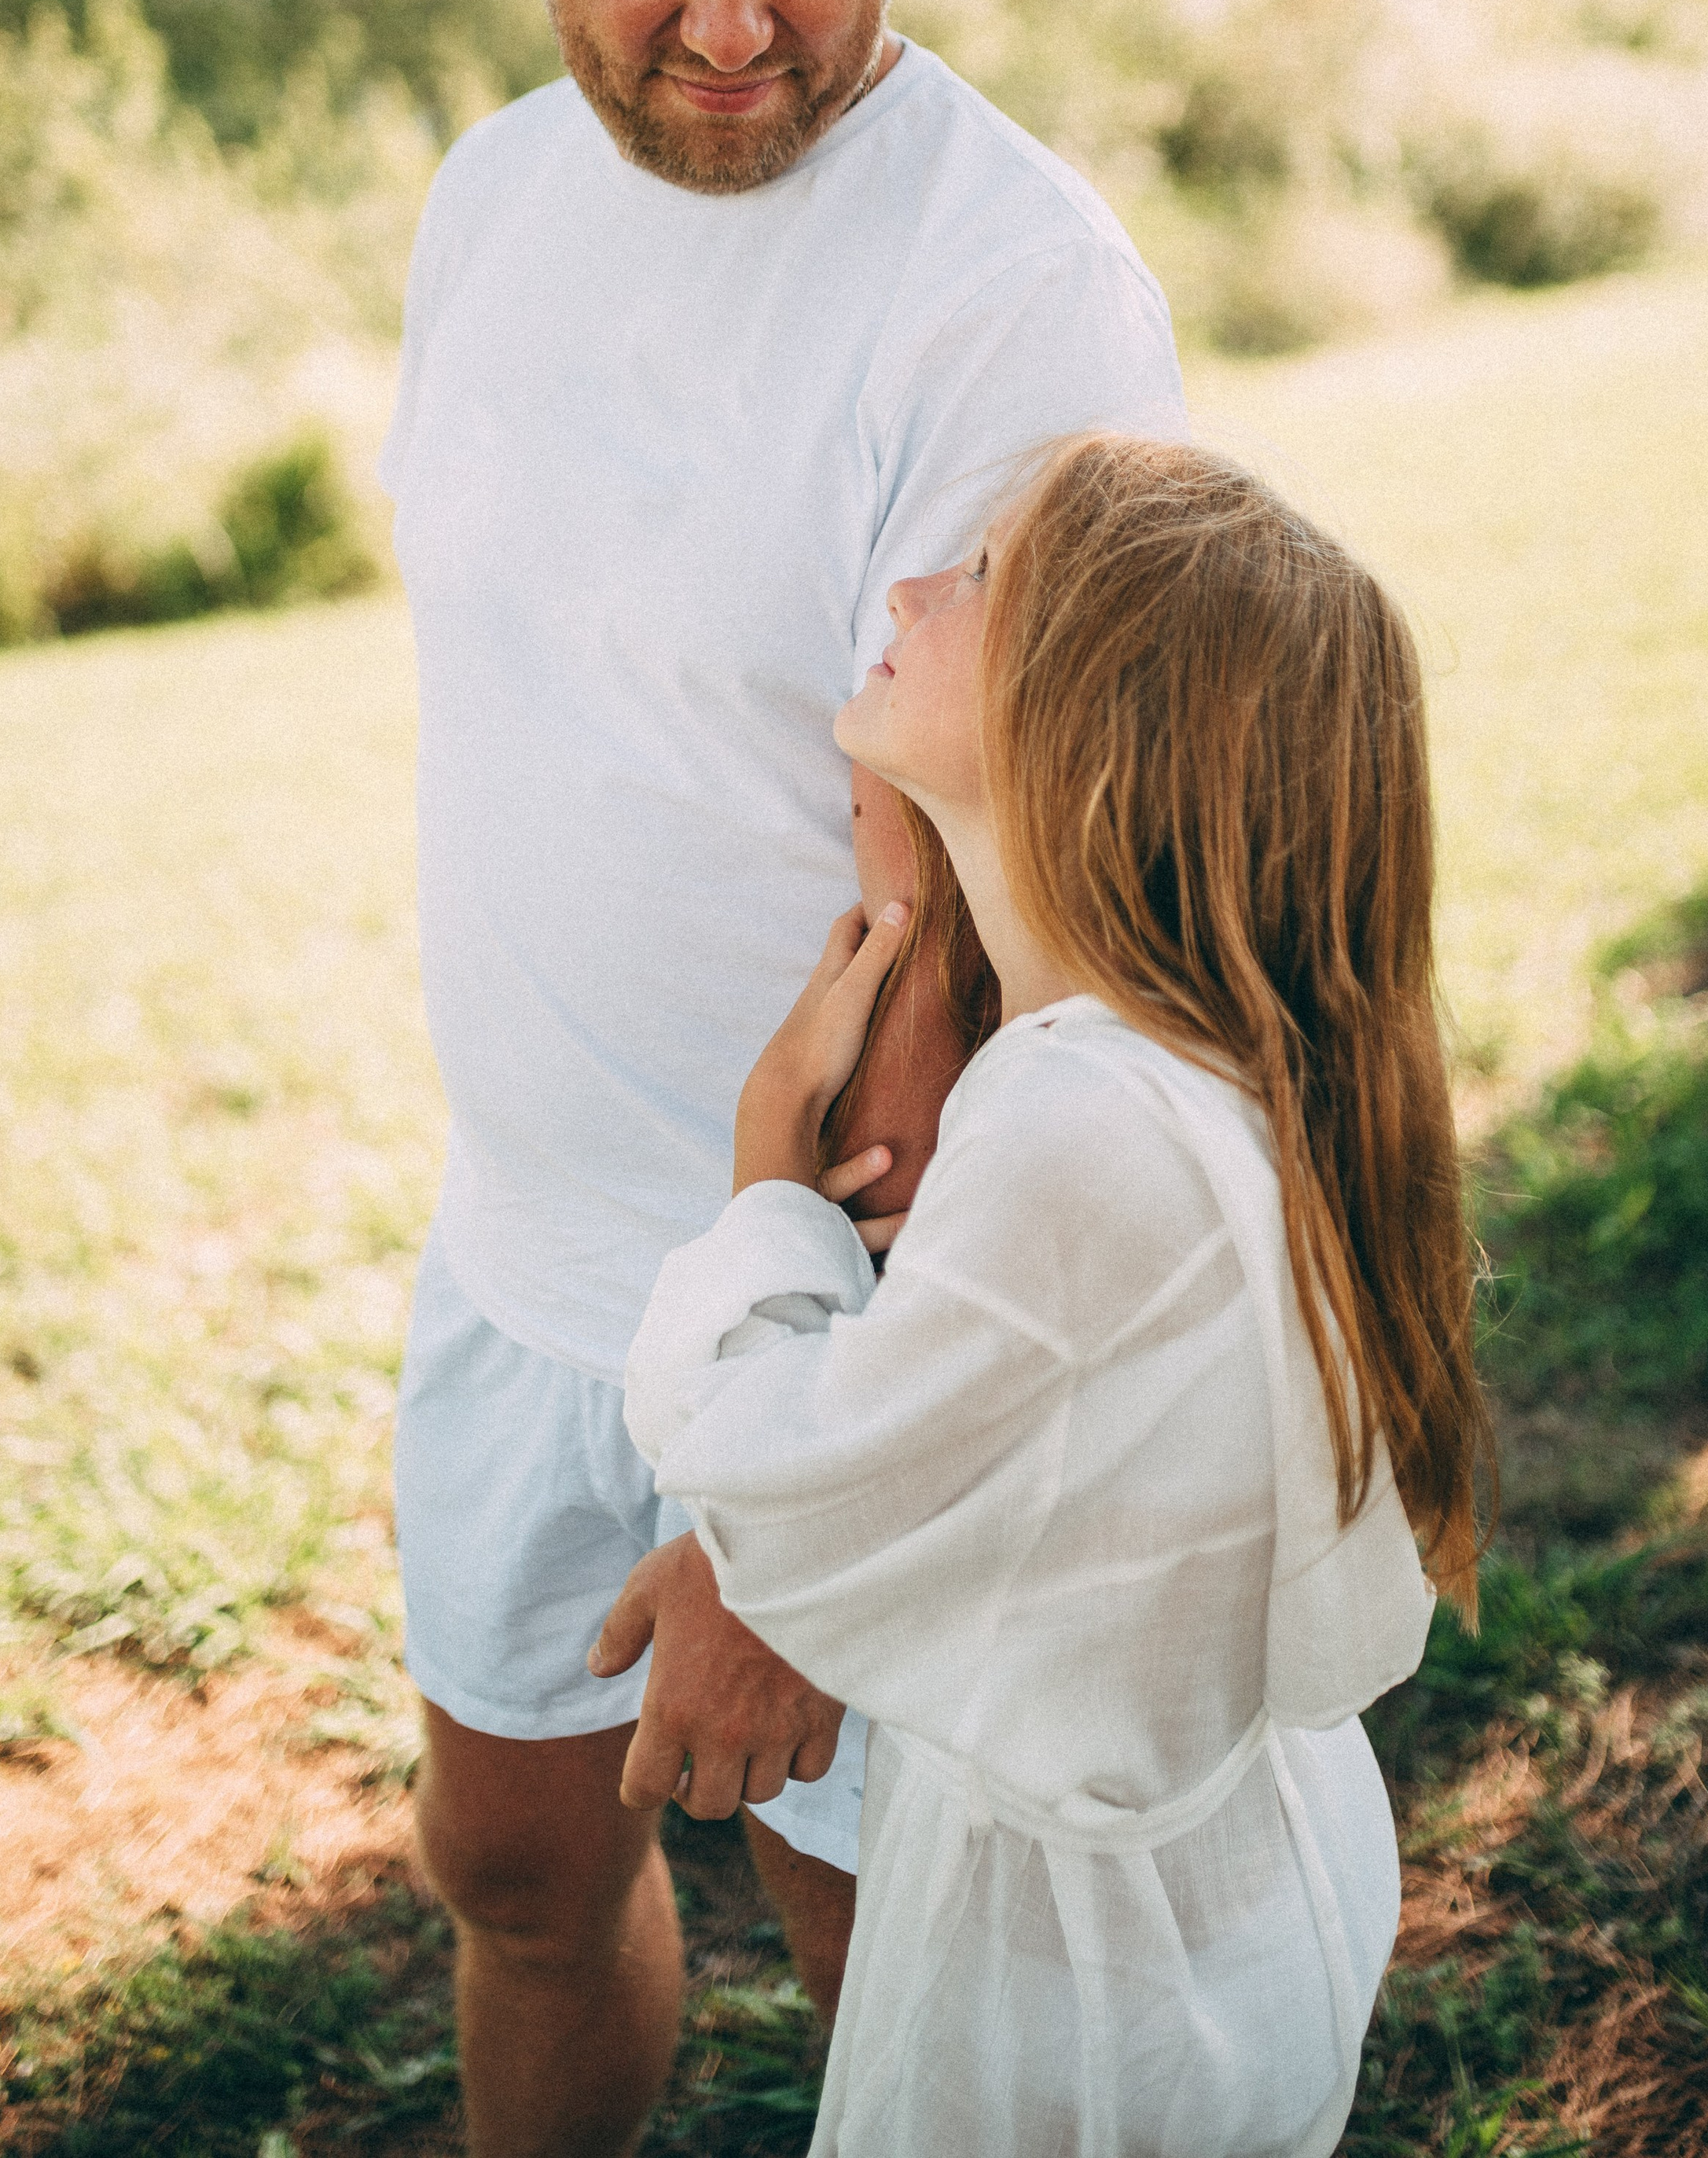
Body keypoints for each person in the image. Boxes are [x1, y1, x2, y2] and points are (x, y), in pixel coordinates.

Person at [379, 0, 1186, 2158]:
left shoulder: (1014, 290)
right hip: (522, 1247)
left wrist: (782, 1499)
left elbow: (971, 945)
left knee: (890, 1979)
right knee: (507, 1852)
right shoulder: (486, 202)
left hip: (852, 1306)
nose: (732, 25)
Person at [617, 435, 1490, 2157]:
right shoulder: (1176, 1072)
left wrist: (765, 1183)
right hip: (1211, 1898)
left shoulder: (1083, 1118)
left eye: (985, 575)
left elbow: (799, 1493)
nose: (911, 589)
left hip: (1087, 1984)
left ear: (1100, 716)